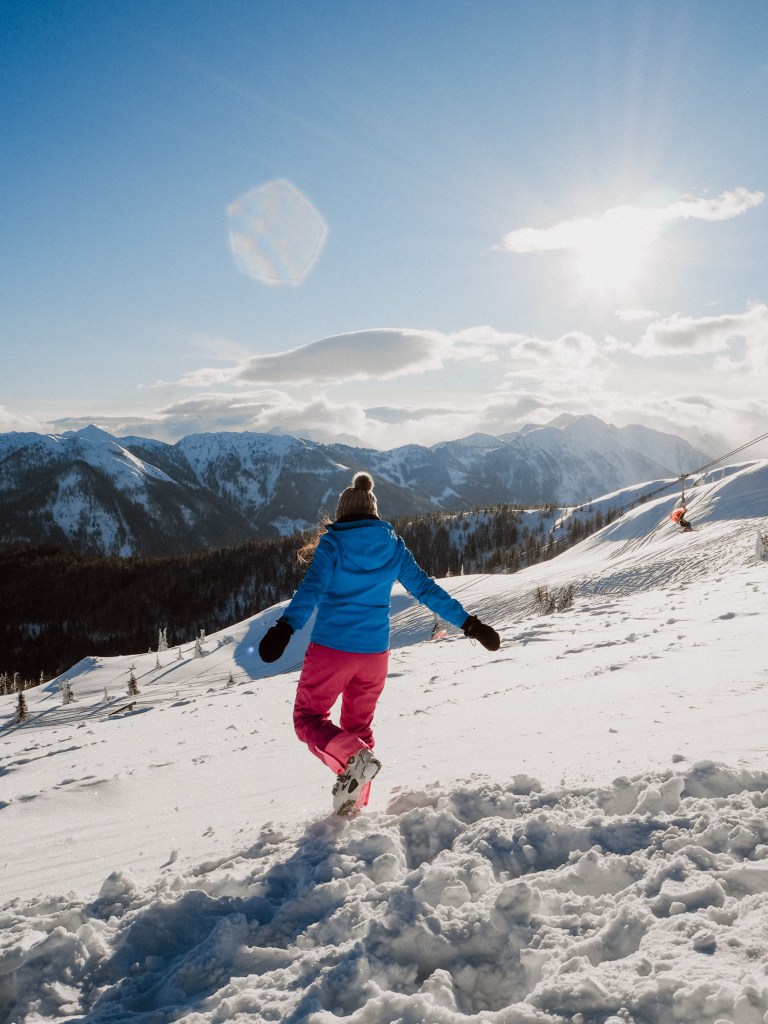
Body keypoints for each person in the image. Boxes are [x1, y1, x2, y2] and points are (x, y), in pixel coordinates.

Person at [258, 471, 501, 816]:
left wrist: (285, 628)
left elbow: (311, 590)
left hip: (332, 649)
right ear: (373, 513)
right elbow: (426, 590)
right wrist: (470, 624)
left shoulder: (334, 543)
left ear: (342, 514)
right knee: (358, 730)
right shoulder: (393, 545)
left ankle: (351, 763)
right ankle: (355, 805)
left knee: (308, 718)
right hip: (374, 656)